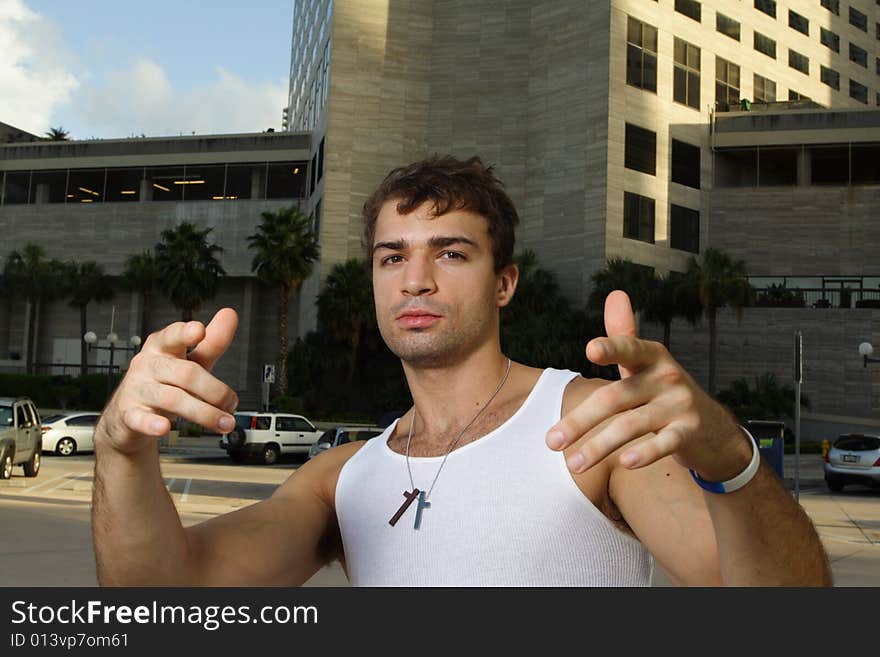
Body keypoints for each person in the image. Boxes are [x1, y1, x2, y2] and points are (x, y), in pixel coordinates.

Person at [92, 155, 831, 586]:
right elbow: (165, 596)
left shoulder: (590, 426)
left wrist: (731, 462)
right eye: (392, 256)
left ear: (504, 282)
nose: (414, 279)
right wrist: (121, 451)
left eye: (449, 252)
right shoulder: (339, 477)